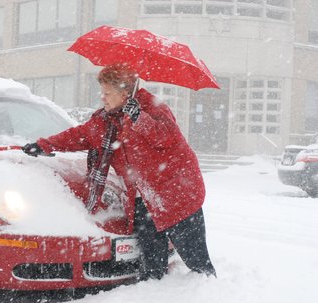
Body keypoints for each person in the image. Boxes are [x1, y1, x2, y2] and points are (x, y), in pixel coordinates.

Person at [22, 64, 216, 279]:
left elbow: (166, 137)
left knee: (198, 263)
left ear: (125, 94)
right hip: (142, 197)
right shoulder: (108, 120)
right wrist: (44, 145)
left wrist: (139, 119)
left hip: (176, 194)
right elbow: (80, 135)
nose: (102, 98)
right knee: (152, 266)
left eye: (107, 93)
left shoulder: (152, 107)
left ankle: (208, 293)